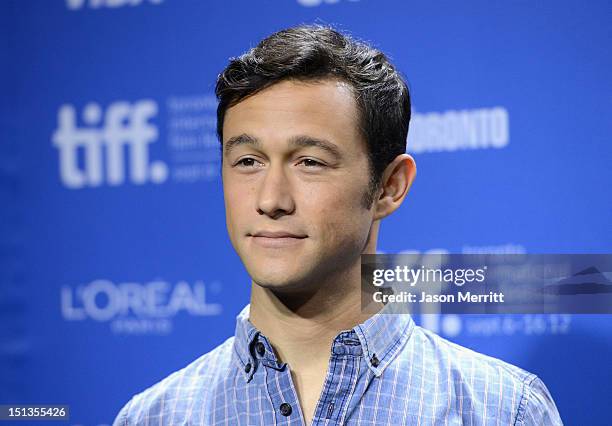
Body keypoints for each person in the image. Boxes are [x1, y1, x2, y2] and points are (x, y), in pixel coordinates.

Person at [113, 25, 562, 425]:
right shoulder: (156, 415)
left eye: (309, 162)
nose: (270, 200)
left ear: (389, 186)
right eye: (247, 161)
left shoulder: (502, 409)